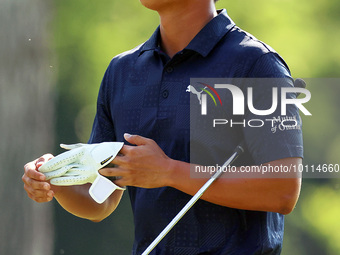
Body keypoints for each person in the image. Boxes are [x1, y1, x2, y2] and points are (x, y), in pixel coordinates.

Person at [22, 0, 303, 254]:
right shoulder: (122, 72)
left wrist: (169, 171)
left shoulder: (256, 64)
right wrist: (54, 180)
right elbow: (100, 201)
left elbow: (283, 191)